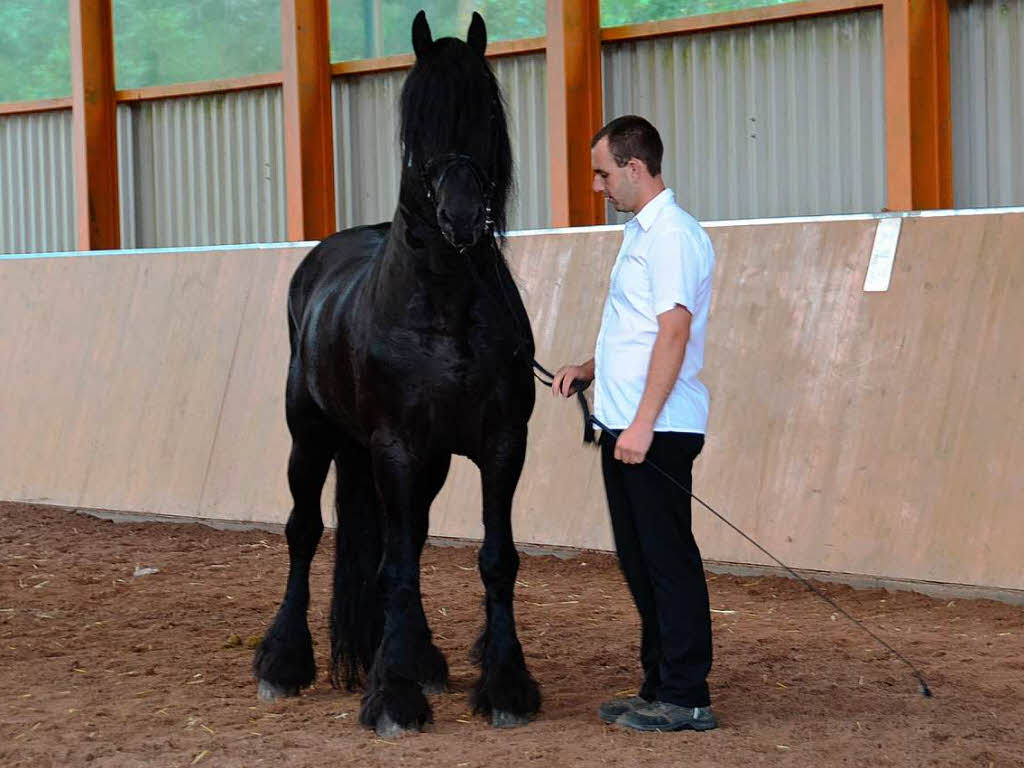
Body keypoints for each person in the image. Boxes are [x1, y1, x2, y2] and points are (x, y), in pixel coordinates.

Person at [552, 115, 717, 733]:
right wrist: (590, 369)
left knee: (668, 559)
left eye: (602, 172)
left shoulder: (672, 235)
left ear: (635, 167)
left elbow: (674, 332)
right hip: (623, 424)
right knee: (639, 559)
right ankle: (659, 683)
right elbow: (639, 331)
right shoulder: (641, 234)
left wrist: (643, 424)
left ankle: (687, 694)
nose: (598, 185)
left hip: (657, 428)